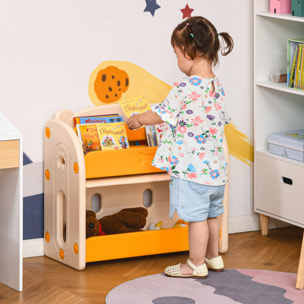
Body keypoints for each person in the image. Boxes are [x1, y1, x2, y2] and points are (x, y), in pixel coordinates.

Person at [126, 16, 234, 278]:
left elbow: (162, 114)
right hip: (216, 171)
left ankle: (195, 263)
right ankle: (213, 256)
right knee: (211, 215)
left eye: (177, 54)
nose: (177, 61)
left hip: (193, 170)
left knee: (196, 218)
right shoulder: (216, 85)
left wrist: (139, 119)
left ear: (190, 51)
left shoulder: (185, 88)